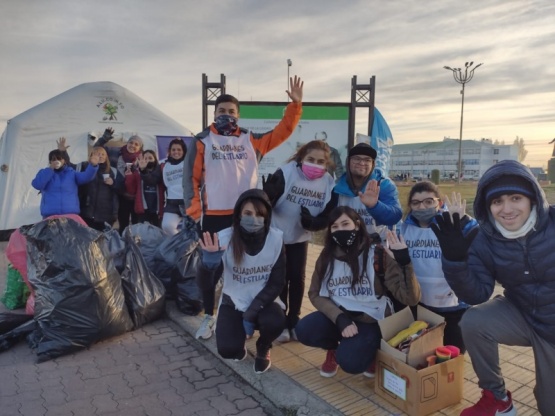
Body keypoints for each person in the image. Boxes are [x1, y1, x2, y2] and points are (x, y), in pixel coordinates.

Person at [431, 159, 555, 415]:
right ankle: (498, 399)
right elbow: (476, 294)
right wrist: (455, 260)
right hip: (524, 314)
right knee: (474, 321)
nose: (506, 209)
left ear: (532, 198)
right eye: (497, 202)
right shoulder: (484, 238)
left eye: (515, 198)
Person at [184, 75, 304, 340]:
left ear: (239, 115)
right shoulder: (203, 140)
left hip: (247, 216)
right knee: (211, 269)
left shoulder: (251, 140)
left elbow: (282, 131)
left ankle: (248, 315)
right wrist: (194, 211)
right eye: (222, 112)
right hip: (214, 217)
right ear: (214, 114)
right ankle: (209, 315)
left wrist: (295, 106)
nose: (227, 115)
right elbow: (190, 178)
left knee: (249, 267)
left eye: (231, 112)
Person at [295, 206, 421, 378]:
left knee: (351, 362)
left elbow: (410, 298)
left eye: (345, 224)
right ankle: (333, 348)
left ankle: (370, 352)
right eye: (335, 227)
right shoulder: (327, 256)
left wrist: (404, 262)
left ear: (357, 225)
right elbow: (316, 294)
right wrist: (339, 318)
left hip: (371, 319)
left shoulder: (377, 254)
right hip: (341, 316)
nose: (340, 230)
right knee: (304, 330)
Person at [196, 189, 286, 374]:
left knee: (275, 321)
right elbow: (207, 286)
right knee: (228, 350)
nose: (254, 218)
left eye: (260, 214)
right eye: (248, 213)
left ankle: (264, 346)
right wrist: (208, 266)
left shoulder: (276, 239)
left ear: (267, 216)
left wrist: (250, 314)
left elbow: (276, 283)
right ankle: (240, 345)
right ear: (238, 214)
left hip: (263, 300)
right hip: (233, 299)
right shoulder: (223, 238)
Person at [263, 140, 336, 343]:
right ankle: (280, 324)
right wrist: (267, 195)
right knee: (280, 280)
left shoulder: (328, 182)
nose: (315, 164)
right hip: (277, 235)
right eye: (311, 159)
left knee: (297, 278)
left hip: (299, 237)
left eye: (321, 161)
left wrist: (313, 223)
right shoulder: (286, 173)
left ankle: (293, 320)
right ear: (301, 157)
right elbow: (266, 202)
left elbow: (328, 215)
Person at [399, 181, 478, 352]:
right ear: (410, 206)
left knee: (454, 351)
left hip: (454, 304)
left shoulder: (452, 222)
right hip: (422, 304)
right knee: (426, 352)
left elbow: (479, 238)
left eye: (429, 201)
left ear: (439, 203)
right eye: (416, 203)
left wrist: (463, 220)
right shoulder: (405, 229)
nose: (422, 207)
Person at [331, 143, 402, 240]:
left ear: (373, 164)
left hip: (375, 247)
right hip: (345, 245)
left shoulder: (384, 185)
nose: (362, 163)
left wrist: (374, 206)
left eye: (367, 160)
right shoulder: (337, 186)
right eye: (357, 158)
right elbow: (330, 217)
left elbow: (395, 216)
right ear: (348, 162)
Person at [96, 128, 144, 234]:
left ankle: (135, 245)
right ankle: (123, 245)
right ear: (127, 143)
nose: (133, 145)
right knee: (123, 224)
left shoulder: (142, 159)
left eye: (136, 144)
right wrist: (105, 138)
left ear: (140, 148)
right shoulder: (116, 152)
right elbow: (98, 149)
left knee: (137, 225)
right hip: (120, 195)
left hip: (136, 198)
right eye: (131, 142)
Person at [31, 149, 99, 218]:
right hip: (50, 215)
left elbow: (86, 177)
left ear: (64, 160)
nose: (56, 161)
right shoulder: (44, 172)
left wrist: (92, 166)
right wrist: (50, 170)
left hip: (70, 214)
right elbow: (37, 185)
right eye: (53, 159)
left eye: (59, 158)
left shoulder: (71, 173)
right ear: (50, 161)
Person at [76, 146, 124, 231]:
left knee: (103, 241)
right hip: (86, 212)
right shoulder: (83, 167)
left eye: (103, 154)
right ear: (91, 156)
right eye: (98, 154)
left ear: (106, 157)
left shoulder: (113, 171)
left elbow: (122, 188)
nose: (101, 156)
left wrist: (113, 183)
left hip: (106, 214)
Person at [125, 150, 165, 227]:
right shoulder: (137, 172)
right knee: (144, 234)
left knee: (158, 233)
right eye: (145, 158)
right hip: (143, 209)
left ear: (155, 159)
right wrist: (129, 177)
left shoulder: (160, 172)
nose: (148, 160)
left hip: (157, 209)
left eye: (150, 158)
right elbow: (131, 191)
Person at [160, 138, 187, 235]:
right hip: (172, 203)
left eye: (179, 149)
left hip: (189, 202)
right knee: (167, 226)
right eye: (173, 150)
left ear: (184, 151)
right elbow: (154, 178)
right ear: (170, 151)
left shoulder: (189, 163)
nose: (176, 152)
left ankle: (193, 247)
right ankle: (180, 244)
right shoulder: (164, 165)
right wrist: (143, 170)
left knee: (192, 229)